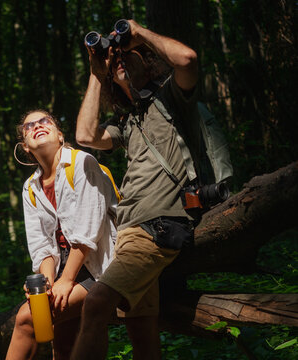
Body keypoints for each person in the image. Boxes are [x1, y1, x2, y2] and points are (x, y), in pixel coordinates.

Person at [71, 19, 198, 359]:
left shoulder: (172, 98)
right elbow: (85, 136)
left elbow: (186, 58)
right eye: (116, 62)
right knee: (141, 334)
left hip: (156, 227)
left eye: (130, 56)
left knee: (97, 304)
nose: (121, 60)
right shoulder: (126, 123)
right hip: (127, 233)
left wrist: (137, 34)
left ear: (149, 60)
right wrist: (98, 73)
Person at [5, 110, 119, 360]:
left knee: (27, 318)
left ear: (59, 135)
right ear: (25, 146)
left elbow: (88, 233)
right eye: (29, 126)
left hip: (99, 263)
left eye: (44, 121)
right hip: (61, 269)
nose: (37, 126)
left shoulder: (82, 162)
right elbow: (41, 246)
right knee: (64, 346)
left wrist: (65, 282)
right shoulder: (30, 188)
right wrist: (47, 286)